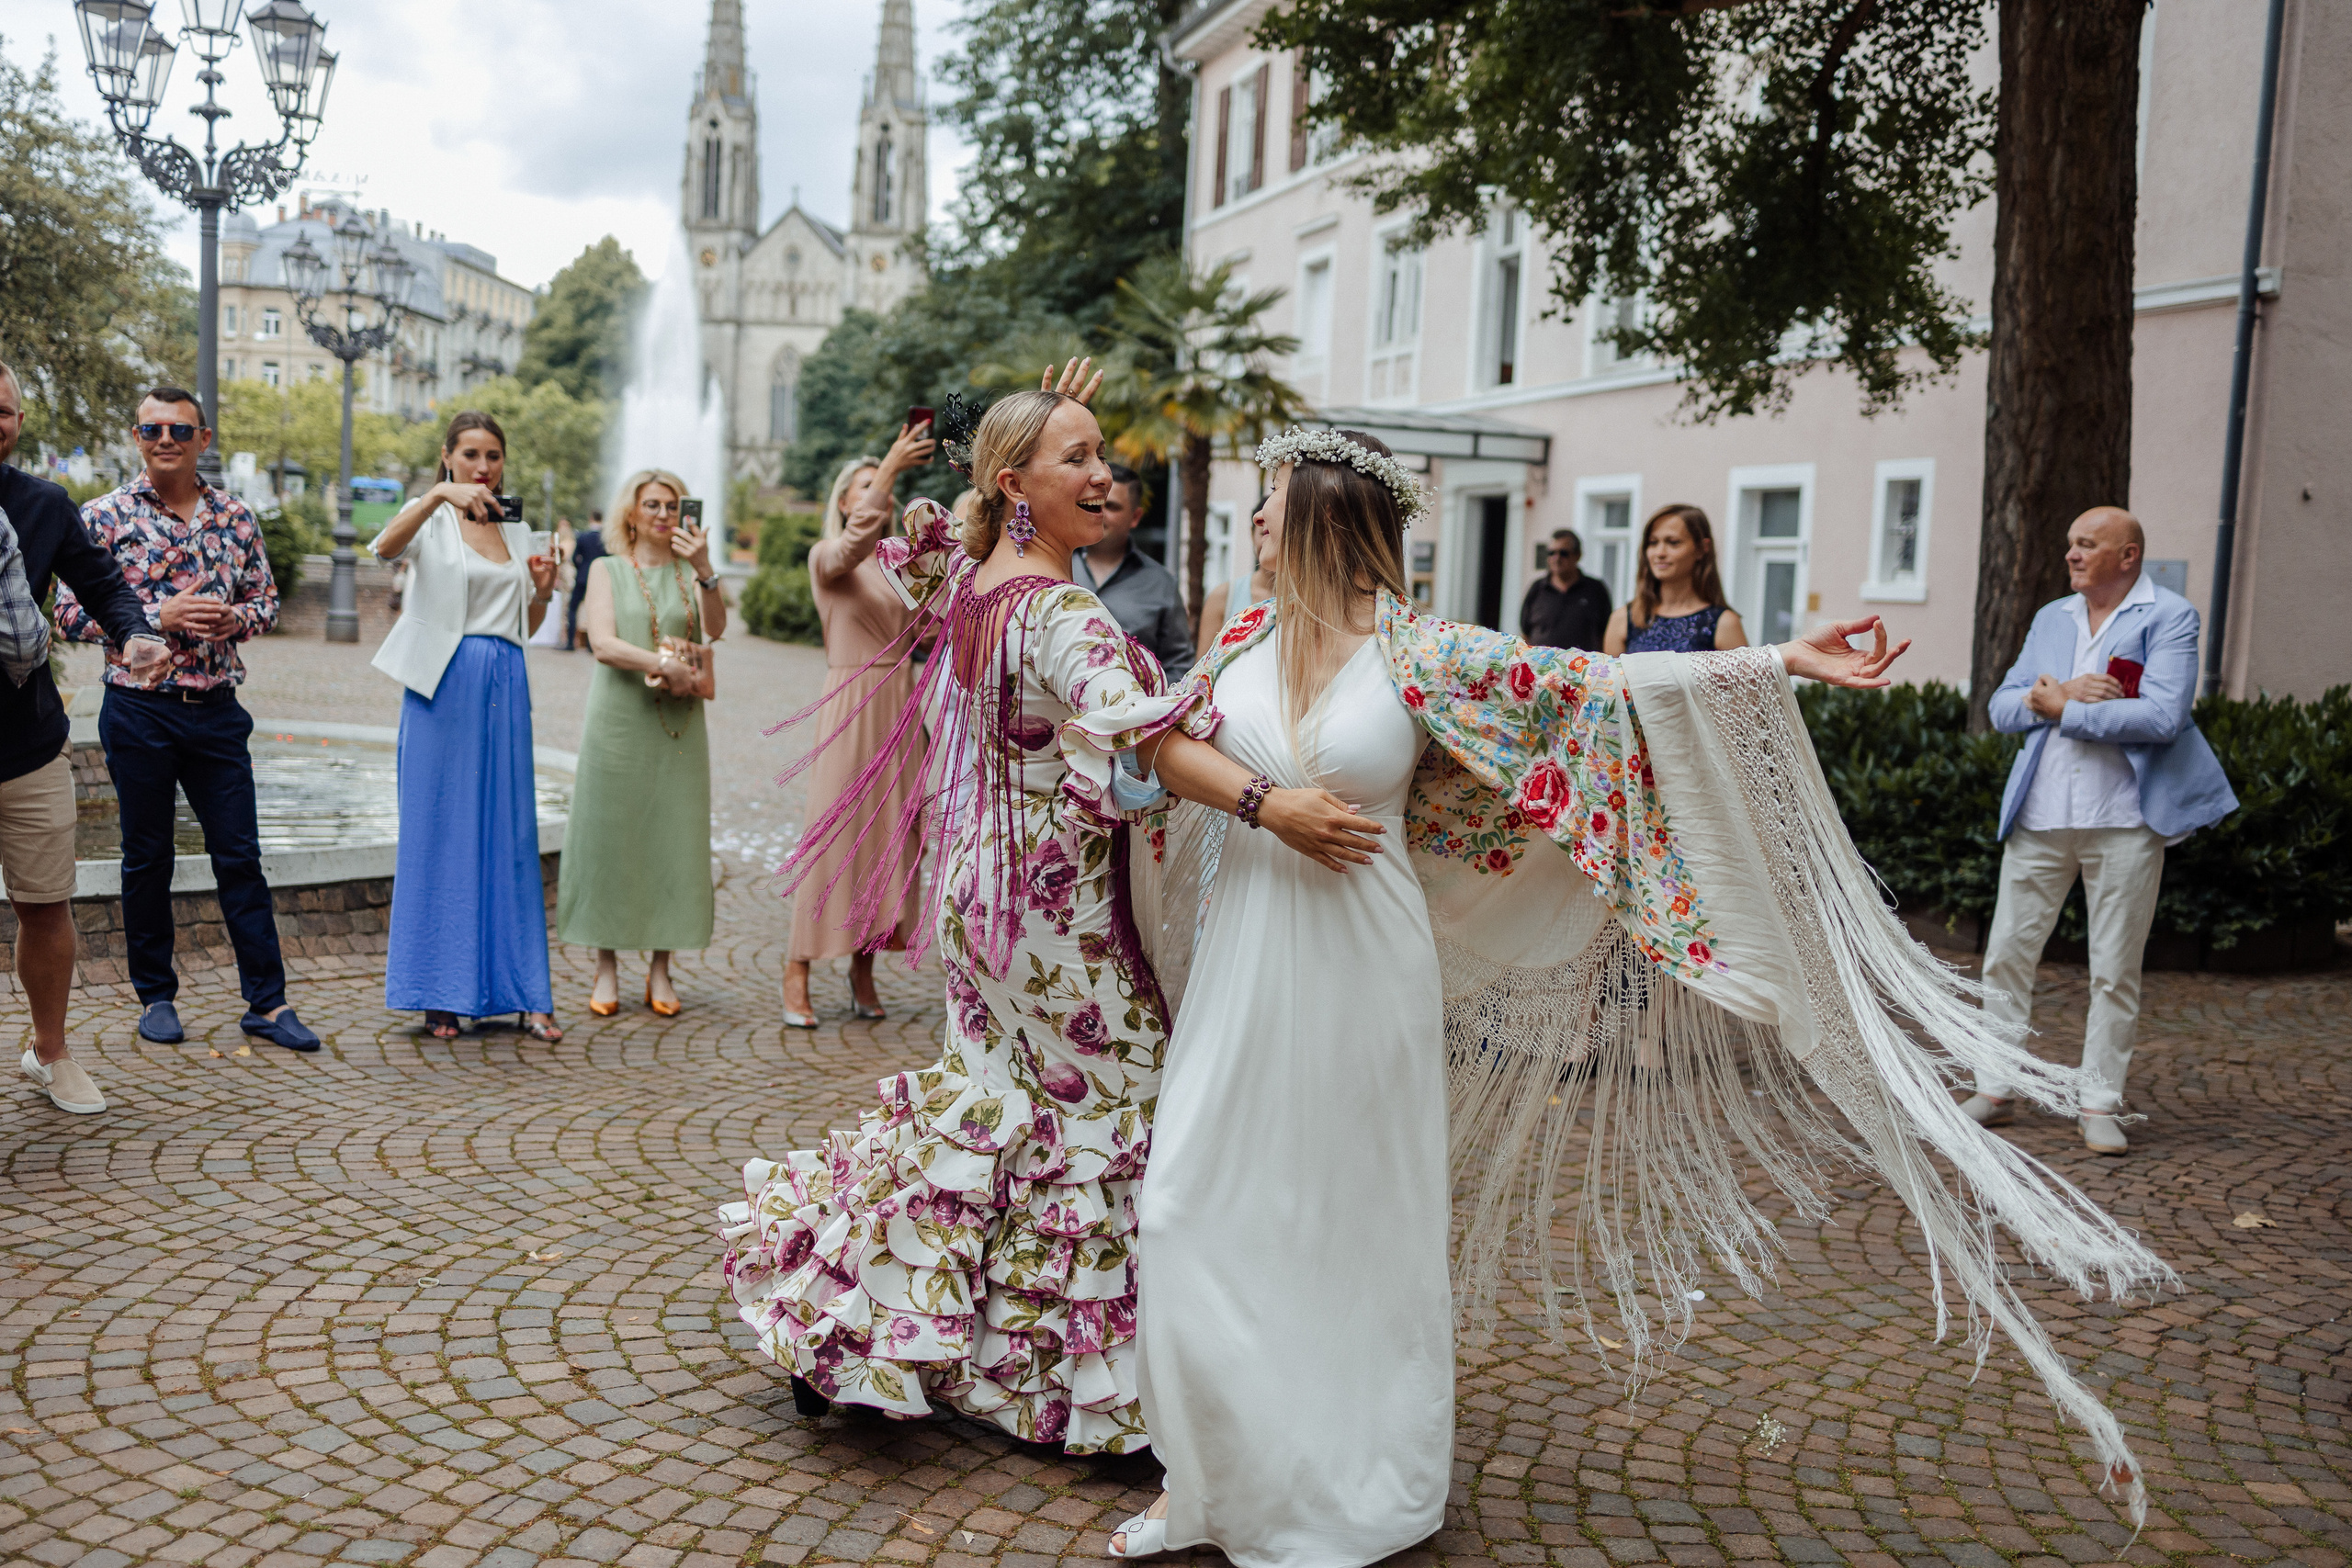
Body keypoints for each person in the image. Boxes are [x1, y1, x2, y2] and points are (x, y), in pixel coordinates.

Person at [1102, 427, 2170, 1563]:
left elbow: (1594, 689)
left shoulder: (1423, 656)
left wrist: (1776, 665)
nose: (1253, 523)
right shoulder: (1244, 637)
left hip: (1364, 969)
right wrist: (1266, 802)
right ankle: (1202, 1477)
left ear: (1318, 519)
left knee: (1344, 1224)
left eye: (1268, 505)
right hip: (1247, 963)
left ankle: (1339, 1482)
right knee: (1183, 1205)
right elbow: (1164, 751)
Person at [720, 364, 1372, 1450]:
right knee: (1114, 1116)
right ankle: (1100, 1395)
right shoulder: (1060, 613)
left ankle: (869, 1334)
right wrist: (1272, 805)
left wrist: (1033, 417)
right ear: (1017, 485)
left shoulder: (973, 582)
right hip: (1056, 918)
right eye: (1080, 458)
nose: (1107, 477)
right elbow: (1147, 743)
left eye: (1104, 454)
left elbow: (927, 541)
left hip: (981, 898)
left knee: (991, 1110)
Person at [1960, 506, 2238, 1155]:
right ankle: (1995, 1085)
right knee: (2005, 955)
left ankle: (2099, 1102)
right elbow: (2003, 704)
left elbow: (2164, 715)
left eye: (2087, 544)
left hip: (2125, 820)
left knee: (2114, 967)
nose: (2072, 554)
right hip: (2041, 814)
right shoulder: (2051, 617)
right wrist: (2044, 700)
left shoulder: (2169, 616)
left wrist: (2065, 706)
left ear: (2128, 556)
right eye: (2069, 544)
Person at [54, 387, 321, 1055]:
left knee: (240, 857)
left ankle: (267, 1001)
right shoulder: (103, 517)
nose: (164, 438)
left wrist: (238, 619)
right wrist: (153, 620)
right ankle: (156, 996)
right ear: (136, 437)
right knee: (148, 857)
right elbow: (65, 611)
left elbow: (266, 600)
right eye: (151, 427)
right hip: (139, 711)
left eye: (179, 428)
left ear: (204, 439)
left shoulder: (236, 517)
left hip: (217, 711)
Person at [1, 361, 170, 1114]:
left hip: (26, 740)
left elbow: (101, 583)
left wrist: (134, 632)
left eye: (2, 410)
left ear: (19, 421)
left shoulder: (41, 505)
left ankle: (50, 1051)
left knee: (45, 902)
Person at [368, 412, 562, 1043]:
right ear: (448, 456)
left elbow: (523, 627)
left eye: (494, 455)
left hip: (505, 679)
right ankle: (439, 991)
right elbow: (383, 547)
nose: (484, 466)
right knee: (438, 829)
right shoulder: (432, 518)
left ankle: (527, 993)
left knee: (509, 833)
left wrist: (541, 591)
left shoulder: (519, 528)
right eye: (472, 454)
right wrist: (434, 498)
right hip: (441, 685)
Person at [560, 469, 727, 1016]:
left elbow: (717, 630)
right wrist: (664, 665)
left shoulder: (688, 572)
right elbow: (602, 642)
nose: (662, 514)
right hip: (618, 722)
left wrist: (705, 571)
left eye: (672, 506)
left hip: (677, 727)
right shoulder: (607, 569)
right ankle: (605, 968)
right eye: (651, 504)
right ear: (630, 514)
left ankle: (661, 968)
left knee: (672, 840)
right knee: (611, 837)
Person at [781, 442, 932, 1027]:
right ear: (844, 501)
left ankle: (864, 969)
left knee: (892, 841)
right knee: (832, 839)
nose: (881, 497)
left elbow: (934, 625)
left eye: (885, 488)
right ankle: (797, 968)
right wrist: (892, 462)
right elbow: (851, 543)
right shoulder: (829, 557)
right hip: (850, 706)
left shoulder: (902, 567)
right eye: (867, 487)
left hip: (901, 708)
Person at [1072, 462, 1193, 682]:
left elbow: (1179, 666)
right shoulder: (1054, 566)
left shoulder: (1162, 584)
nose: (1100, 512)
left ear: (1135, 517)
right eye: (1095, 503)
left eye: (1112, 507)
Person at [1601, 503, 1747, 653]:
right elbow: (1609, 676)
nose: (1660, 553)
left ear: (1702, 548)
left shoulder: (1724, 623)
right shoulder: (1624, 619)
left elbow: (1745, 676)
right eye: (1653, 542)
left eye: (1673, 542)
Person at [1192, 502, 1275, 656]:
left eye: (1272, 533)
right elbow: (1202, 670)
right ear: (1251, 534)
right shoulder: (1223, 597)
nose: (1266, 542)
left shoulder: (1308, 599)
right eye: (1262, 534)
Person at [1519, 526, 1611, 650]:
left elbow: (1606, 635)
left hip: (1581, 667)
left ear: (1577, 555)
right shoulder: (1537, 589)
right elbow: (1525, 634)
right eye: (1551, 553)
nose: (1556, 558)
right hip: (1541, 668)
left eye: (1563, 553)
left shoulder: (1595, 590)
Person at [527, 513, 576, 648]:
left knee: (565, 607)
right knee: (563, 607)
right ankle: (564, 638)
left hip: (566, 577)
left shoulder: (566, 543)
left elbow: (563, 560)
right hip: (562, 576)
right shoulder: (560, 541)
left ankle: (565, 639)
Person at [567, 509, 606, 651]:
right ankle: (591, 645)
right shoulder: (605, 538)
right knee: (596, 611)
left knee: (573, 609)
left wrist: (581, 568)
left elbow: (574, 558)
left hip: (582, 577)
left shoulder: (583, 537)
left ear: (591, 518)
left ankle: (570, 643)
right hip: (600, 580)